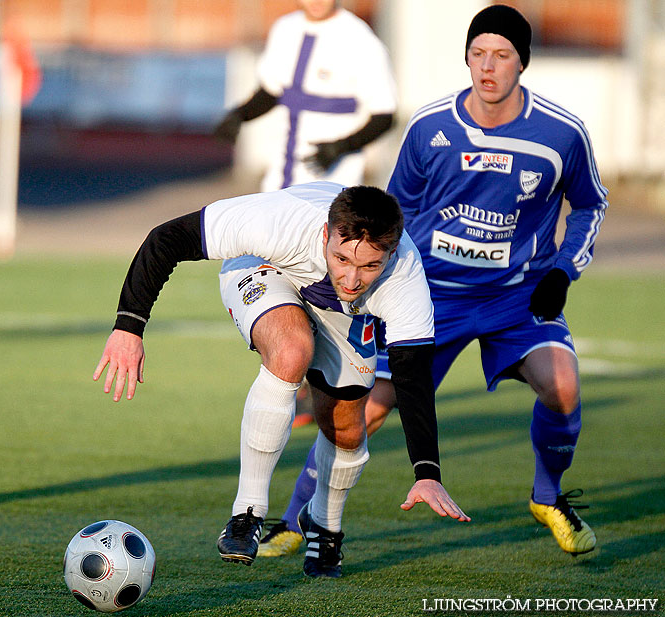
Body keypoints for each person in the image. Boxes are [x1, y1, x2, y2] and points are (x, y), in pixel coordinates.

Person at [258, 4, 608, 560]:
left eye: (501, 55)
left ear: (523, 63)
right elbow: (391, 217)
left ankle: (548, 497)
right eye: (477, 54)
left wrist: (564, 271)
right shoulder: (432, 127)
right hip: (431, 297)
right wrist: (373, 289)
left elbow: (590, 204)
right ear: (466, 58)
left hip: (516, 297)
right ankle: (301, 518)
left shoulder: (562, 134)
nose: (487, 67)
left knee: (563, 387)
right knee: (363, 406)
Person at [93, 181, 469, 579]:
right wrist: (129, 328)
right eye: (341, 258)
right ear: (326, 234)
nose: (353, 277)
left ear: (392, 254)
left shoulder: (406, 281)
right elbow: (166, 238)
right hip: (265, 268)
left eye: (370, 265)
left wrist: (427, 473)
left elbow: (412, 379)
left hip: (341, 312)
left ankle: (324, 524)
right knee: (291, 351)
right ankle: (247, 512)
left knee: (346, 427)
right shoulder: (280, 222)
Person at [214, 0, 397, 192]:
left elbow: (385, 115)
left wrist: (341, 147)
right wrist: (240, 115)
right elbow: (272, 91)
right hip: (282, 168)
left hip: (334, 175)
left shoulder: (360, 39)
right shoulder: (285, 28)